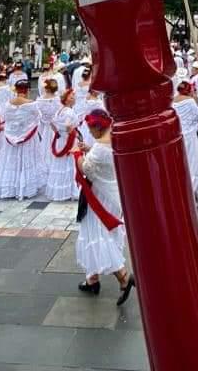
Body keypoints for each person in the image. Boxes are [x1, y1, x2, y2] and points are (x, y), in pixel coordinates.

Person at [75, 109, 135, 304]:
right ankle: (92, 277)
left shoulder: (100, 147)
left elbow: (87, 169)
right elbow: (101, 157)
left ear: (98, 127)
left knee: (96, 234)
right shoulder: (115, 137)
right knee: (102, 234)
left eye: (91, 129)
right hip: (113, 192)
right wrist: (89, 149)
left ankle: (124, 277)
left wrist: (77, 155)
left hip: (99, 196)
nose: (90, 132)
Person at [0, 79, 45, 200]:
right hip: (27, 136)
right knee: (27, 158)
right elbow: (38, 117)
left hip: (11, 135)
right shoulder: (31, 104)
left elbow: (6, 117)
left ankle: (10, 186)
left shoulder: (8, 104)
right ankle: (26, 186)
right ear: (27, 90)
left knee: (11, 160)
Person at [46, 89, 80, 201]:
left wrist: (58, 133)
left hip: (61, 141)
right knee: (69, 164)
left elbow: (52, 124)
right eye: (71, 97)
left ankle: (58, 190)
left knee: (59, 164)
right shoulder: (69, 112)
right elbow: (68, 127)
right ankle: (69, 191)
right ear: (67, 100)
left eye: (74, 96)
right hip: (68, 141)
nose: (74, 98)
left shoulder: (59, 110)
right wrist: (72, 134)